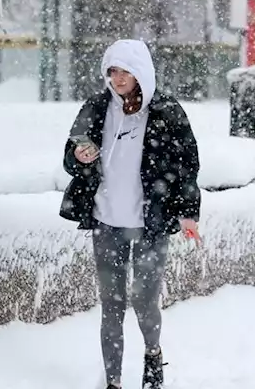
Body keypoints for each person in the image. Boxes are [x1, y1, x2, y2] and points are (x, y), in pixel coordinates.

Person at [59, 39, 201, 389]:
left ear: (141, 72)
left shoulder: (166, 111)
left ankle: (153, 355)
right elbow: (70, 153)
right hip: (107, 221)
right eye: (112, 71)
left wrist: (188, 212)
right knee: (111, 305)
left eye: (125, 71)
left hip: (150, 223)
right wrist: (79, 157)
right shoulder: (96, 108)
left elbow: (187, 164)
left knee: (145, 300)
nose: (118, 78)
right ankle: (114, 382)